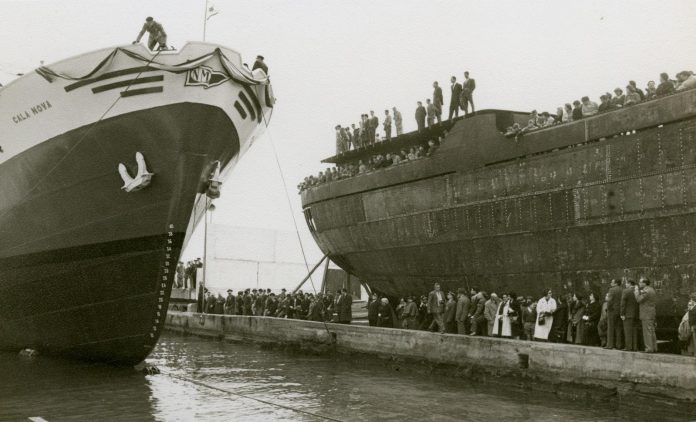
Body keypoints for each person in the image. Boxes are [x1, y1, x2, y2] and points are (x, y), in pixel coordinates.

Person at [635, 277, 657, 353]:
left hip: (646, 314)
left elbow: (638, 299)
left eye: (640, 282)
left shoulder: (646, 291)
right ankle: (654, 347)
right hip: (651, 313)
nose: (639, 283)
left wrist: (636, 292)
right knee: (651, 331)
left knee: (647, 331)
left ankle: (649, 348)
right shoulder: (652, 289)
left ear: (645, 283)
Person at [621, 279, 639, 351]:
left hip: (628, 314)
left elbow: (623, 304)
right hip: (635, 315)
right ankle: (634, 347)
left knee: (627, 331)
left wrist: (622, 313)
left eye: (626, 283)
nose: (625, 284)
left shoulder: (626, 291)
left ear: (629, 284)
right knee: (634, 331)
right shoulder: (637, 291)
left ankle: (628, 347)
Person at [605, 279, 624, 350]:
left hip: (612, 311)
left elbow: (609, 301)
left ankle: (610, 345)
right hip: (619, 311)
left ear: (616, 283)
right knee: (618, 328)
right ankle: (618, 345)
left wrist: (608, 309)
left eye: (612, 282)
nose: (610, 283)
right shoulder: (622, 290)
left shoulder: (611, 290)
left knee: (610, 328)